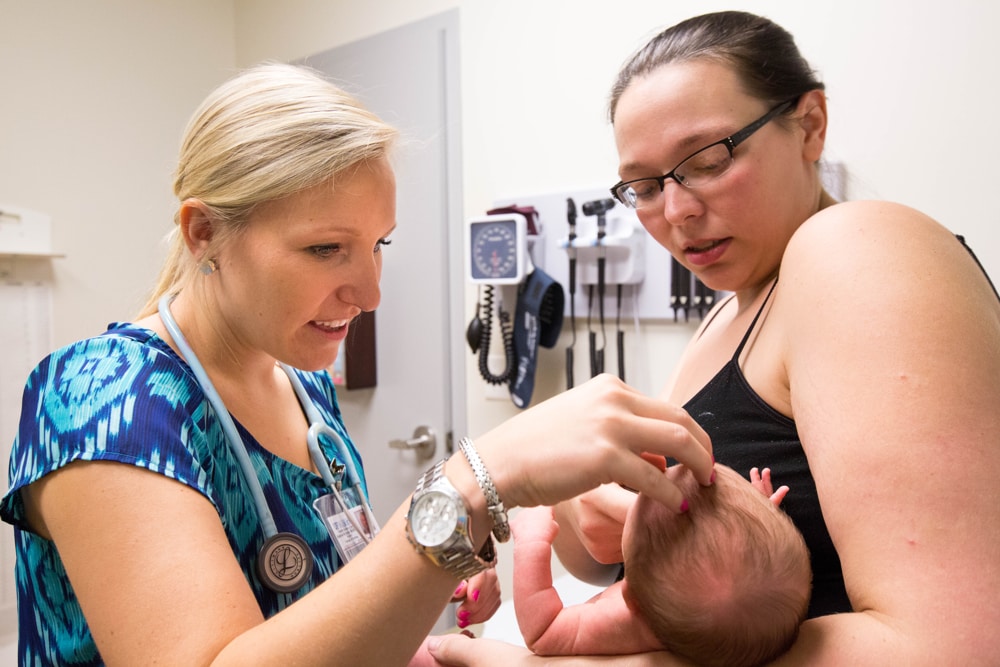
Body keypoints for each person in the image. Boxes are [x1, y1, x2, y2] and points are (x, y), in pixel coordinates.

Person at [0, 62, 716, 666]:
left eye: (379, 245)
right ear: (204, 231)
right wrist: (474, 482)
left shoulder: (303, 385)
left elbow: (324, 606)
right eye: (325, 249)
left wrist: (421, 587)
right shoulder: (103, 398)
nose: (369, 294)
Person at [427, 9, 1000, 666]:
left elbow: (956, 647)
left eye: (708, 160)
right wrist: (588, 512)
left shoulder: (854, 248)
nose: (676, 211)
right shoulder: (727, 315)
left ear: (810, 124)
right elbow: (634, 566)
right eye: (645, 186)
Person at [513, 465, 810, 667]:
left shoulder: (619, 621)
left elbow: (542, 633)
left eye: (639, 499)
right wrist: (757, 518)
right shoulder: (737, 612)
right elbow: (738, 563)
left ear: (632, 599)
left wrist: (531, 543)